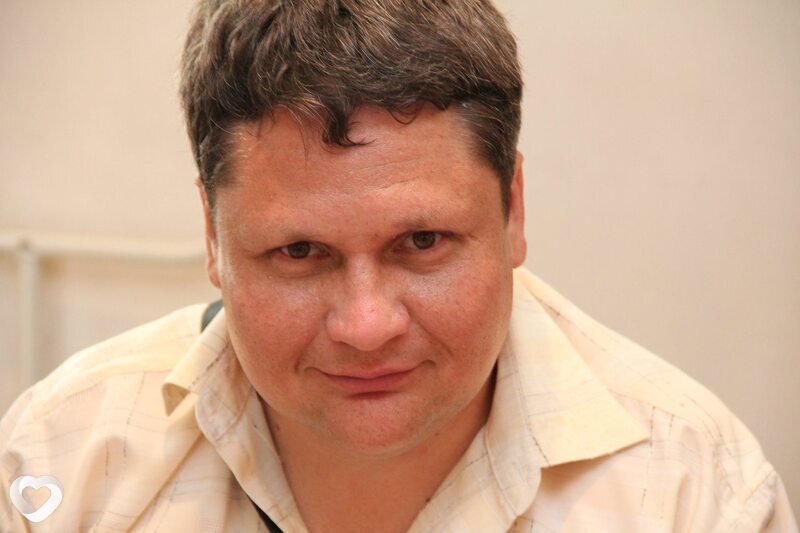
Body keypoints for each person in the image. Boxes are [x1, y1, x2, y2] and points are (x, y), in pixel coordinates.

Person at [1, 1, 796, 531]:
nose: (366, 325)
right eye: (299, 252)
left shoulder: (694, 493)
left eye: (421, 243)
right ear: (212, 235)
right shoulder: (60, 460)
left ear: (513, 211)